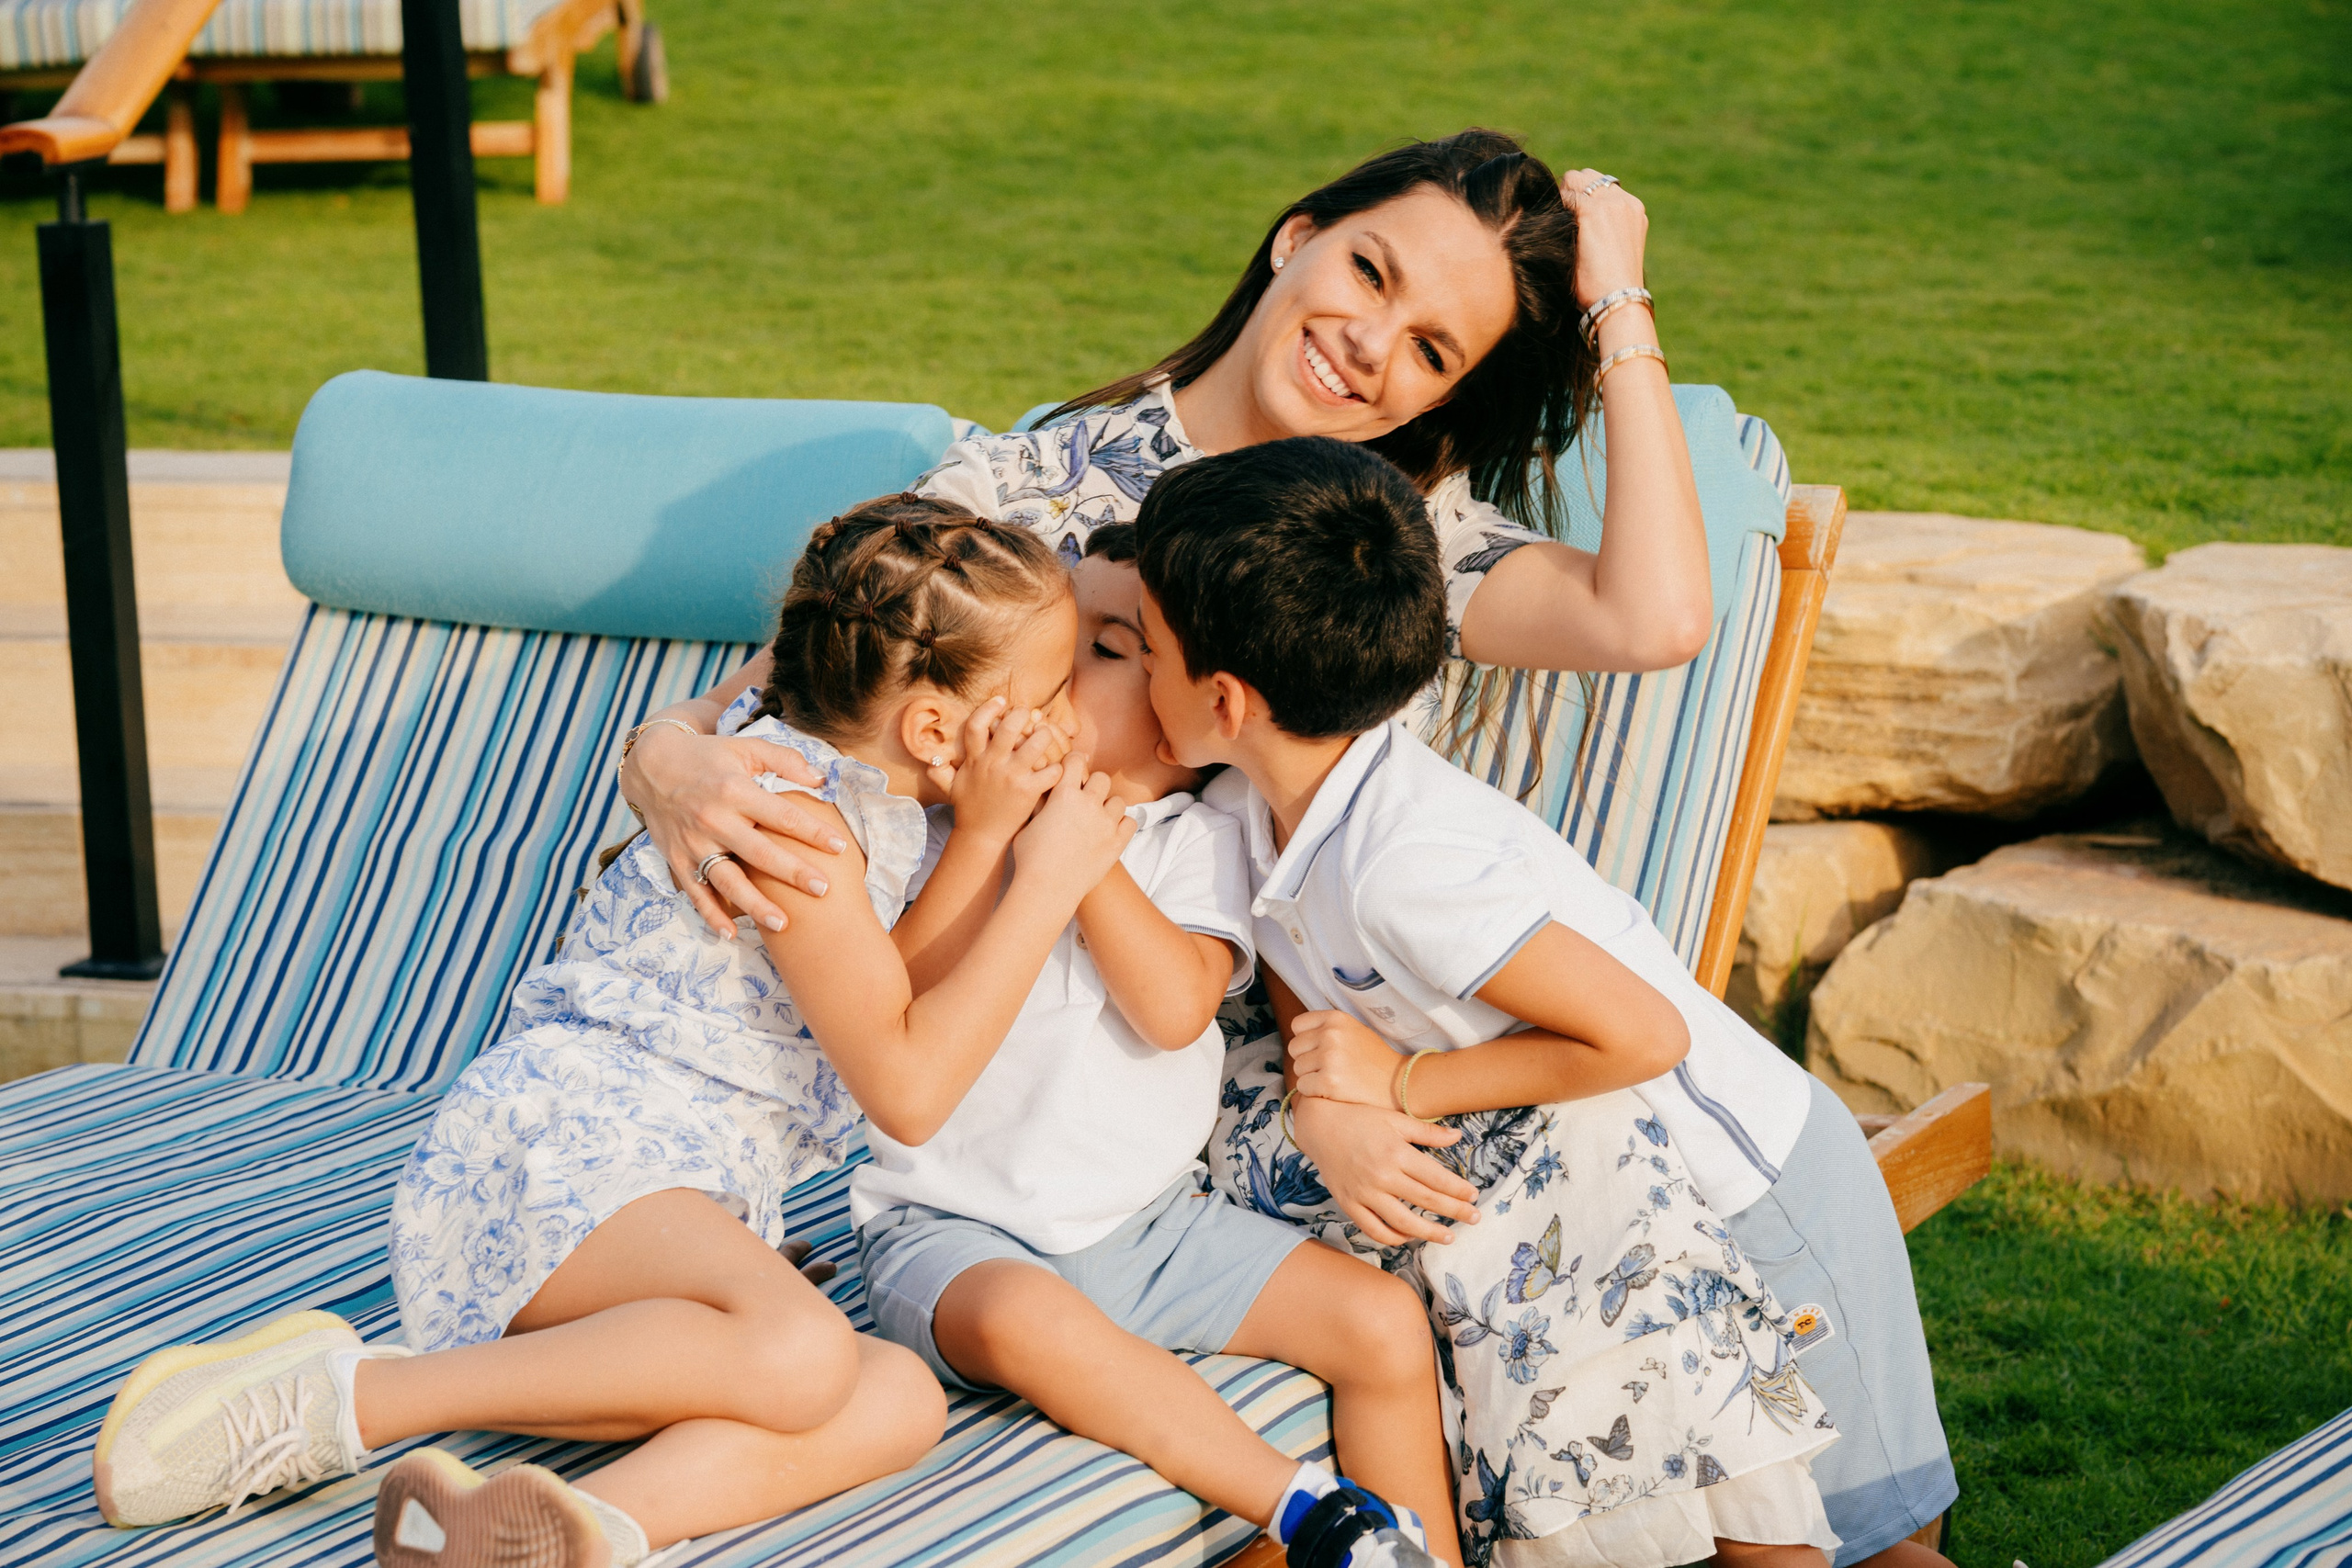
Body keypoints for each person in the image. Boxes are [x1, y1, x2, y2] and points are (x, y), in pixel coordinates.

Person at [86, 497, 1134, 1568]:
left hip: (648, 1185)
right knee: (807, 1355)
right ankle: (345, 1400)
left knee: (896, 1394)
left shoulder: (845, 767)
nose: (1072, 712)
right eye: (1055, 688)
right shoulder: (792, 820)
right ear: (934, 730)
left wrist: (986, 835)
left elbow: (881, 991)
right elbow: (905, 1088)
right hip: (569, 1151)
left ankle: (560, 1534)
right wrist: (1038, 881)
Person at [1133, 438, 1958, 1568]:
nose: (1133, 670)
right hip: (1620, 1203)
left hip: (1749, 1190)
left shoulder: (1404, 867)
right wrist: (1328, 1096)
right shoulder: (1264, 805)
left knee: (1864, 1544)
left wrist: (1403, 1082)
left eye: (1143, 648)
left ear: (1224, 699)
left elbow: (1640, 1034)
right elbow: (1297, 956)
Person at [614, 129, 1713, 942]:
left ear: (1444, 397)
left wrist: (1619, 301)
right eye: (1368, 272)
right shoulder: (1029, 481)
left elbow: (1656, 619)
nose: (1370, 343)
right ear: (1295, 238)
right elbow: (783, 693)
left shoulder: (1404, 547)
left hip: (1228, 1051)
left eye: (1432, 351)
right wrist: (661, 756)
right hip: (924, 992)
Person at [853, 524, 1459, 1568]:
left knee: (1381, 1322)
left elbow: (1176, 1007)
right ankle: (1311, 1515)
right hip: (950, 1230)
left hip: (1150, 1231)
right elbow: (895, 998)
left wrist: (1080, 849)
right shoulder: (955, 823)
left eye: (1099, 648)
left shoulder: (1202, 838)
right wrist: (1001, 832)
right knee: (1025, 1321)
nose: (1050, 670)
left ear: (1186, 716)